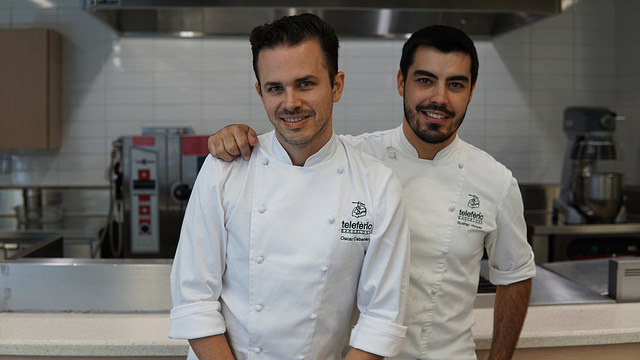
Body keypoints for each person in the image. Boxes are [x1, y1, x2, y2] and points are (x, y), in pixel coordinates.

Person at [207, 24, 536, 360]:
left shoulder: (496, 181)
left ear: (472, 89)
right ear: (401, 83)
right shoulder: (357, 158)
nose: (439, 97)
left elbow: (515, 275)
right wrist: (237, 136)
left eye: (456, 84)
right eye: (424, 80)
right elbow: (295, 148)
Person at [168, 13, 411, 360]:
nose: (290, 102)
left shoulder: (376, 184)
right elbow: (193, 299)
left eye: (306, 84)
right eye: (275, 88)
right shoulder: (225, 169)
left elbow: (382, 319)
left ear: (337, 85)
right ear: (260, 92)